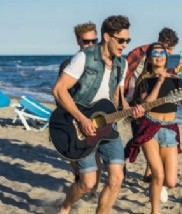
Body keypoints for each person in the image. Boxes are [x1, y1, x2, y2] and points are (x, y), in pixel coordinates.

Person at [53, 15, 144, 214]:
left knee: (117, 178)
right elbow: (59, 90)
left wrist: (132, 109)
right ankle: (65, 206)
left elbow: (120, 100)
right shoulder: (84, 58)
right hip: (81, 126)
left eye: (127, 40)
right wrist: (82, 119)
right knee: (87, 182)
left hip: (108, 126)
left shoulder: (122, 64)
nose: (124, 45)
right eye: (120, 40)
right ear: (107, 36)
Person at [128, 42, 182, 214]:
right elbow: (147, 105)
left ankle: (159, 189)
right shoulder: (144, 80)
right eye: (155, 54)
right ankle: (154, 211)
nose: (159, 56)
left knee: (170, 181)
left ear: (166, 56)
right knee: (158, 174)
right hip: (150, 127)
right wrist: (160, 80)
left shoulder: (176, 80)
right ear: (149, 58)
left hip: (170, 129)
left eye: (162, 53)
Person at [123, 27, 180, 182]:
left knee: (149, 134)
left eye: (171, 50)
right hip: (134, 100)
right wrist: (124, 101)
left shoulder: (159, 57)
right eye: (168, 48)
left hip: (149, 99)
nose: (169, 53)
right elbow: (124, 75)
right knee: (140, 136)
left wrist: (173, 72)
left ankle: (150, 173)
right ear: (161, 42)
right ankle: (121, 159)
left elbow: (157, 75)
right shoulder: (140, 54)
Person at [58, 21, 102, 197]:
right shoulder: (68, 64)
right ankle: (79, 179)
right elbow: (60, 94)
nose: (91, 45)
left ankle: (91, 191)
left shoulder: (102, 63)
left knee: (97, 162)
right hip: (71, 121)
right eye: (86, 42)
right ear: (78, 42)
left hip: (96, 121)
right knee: (76, 161)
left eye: (94, 41)